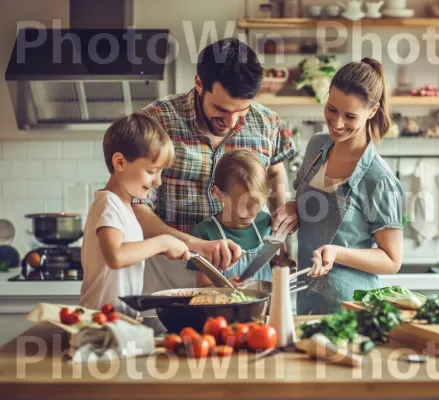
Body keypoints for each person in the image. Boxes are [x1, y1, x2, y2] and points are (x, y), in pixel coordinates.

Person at [132, 38, 299, 294]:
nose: (231, 122)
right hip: (173, 269)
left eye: (241, 112)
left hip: (242, 269)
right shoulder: (157, 121)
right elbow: (137, 207)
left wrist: (280, 229)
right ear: (199, 83)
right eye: (221, 109)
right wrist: (199, 245)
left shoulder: (267, 122)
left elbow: (275, 171)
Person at [293, 58, 404, 315]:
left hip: (350, 305)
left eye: (350, 116)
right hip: (306, 297)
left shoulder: (379, 179)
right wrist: (290, 209)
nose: (337, 123)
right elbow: (306, 208)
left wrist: (337, 253)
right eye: (332, 109)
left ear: (373, 111)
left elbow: (392, 260)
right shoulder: (316, 147)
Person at [80, 113, 190, 317]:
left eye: (160, 173)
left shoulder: (126, 208)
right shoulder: (108, 203)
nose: (158, 182)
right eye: (151, 171)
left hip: (118, 319)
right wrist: (164, 242)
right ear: (120, 162)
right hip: (100, 321)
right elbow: (116, 256)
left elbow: (129, 253)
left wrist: (164, 249)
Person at [186, 149, 294, 287]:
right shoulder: (205, 234)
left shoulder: (266, 224)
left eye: (258, 204)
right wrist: (226, 288)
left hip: (269, 307)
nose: (251, 213)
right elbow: (204, 288)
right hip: (226, 307)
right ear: (219, 194)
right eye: (243, 204)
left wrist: (287, 268)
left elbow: (282, 266)